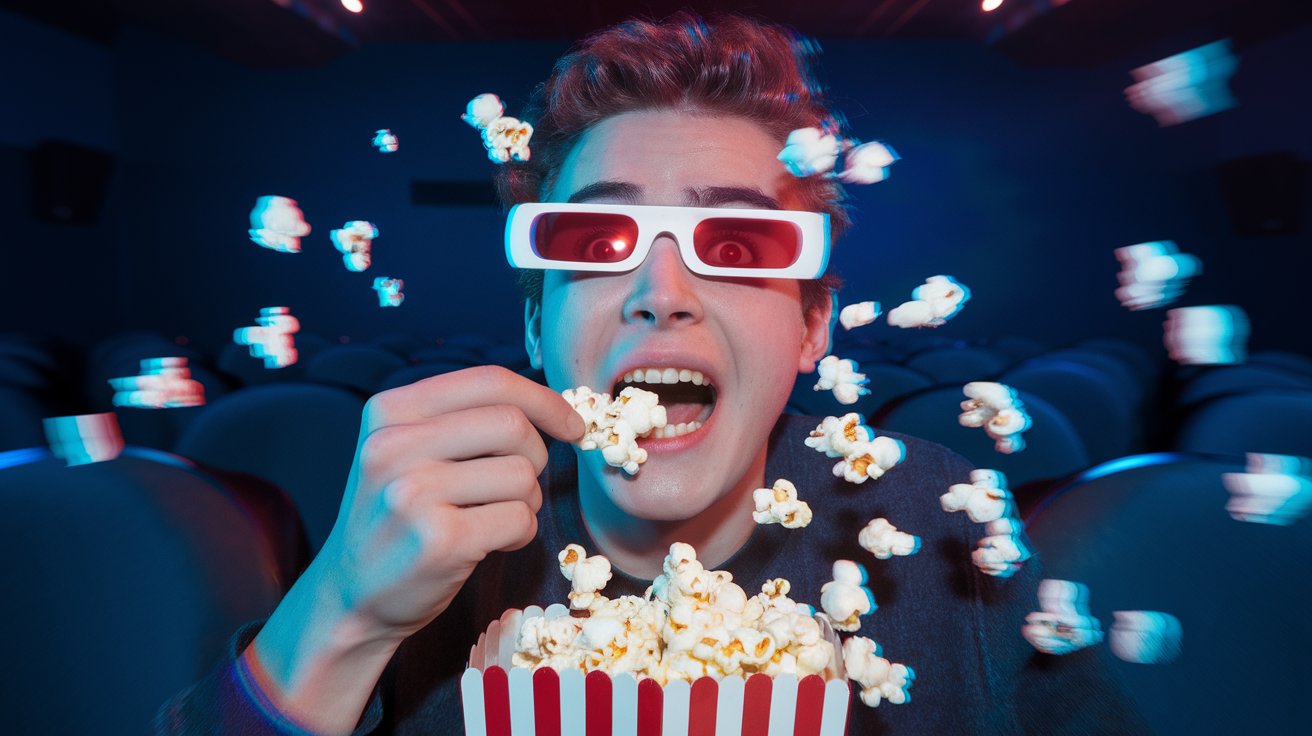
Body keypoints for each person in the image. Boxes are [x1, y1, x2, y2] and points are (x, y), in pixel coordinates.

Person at [158, 11, 1147, 735]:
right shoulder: (428, 548)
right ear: (537, 328)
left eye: (735, 240)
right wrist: (339, 613)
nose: (659, 289)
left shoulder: (944, 527)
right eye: (596, 237)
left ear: (812, 327)